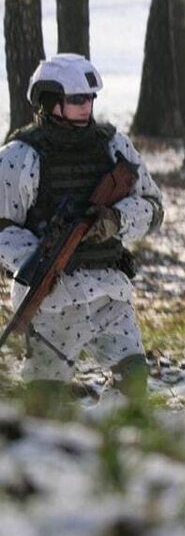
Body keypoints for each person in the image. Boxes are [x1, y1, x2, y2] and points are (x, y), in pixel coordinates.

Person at [0, 54, 164, 410]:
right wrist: (41, 259)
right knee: (45, 401)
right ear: (49, 101)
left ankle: (108, 449)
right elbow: (3, 227)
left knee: (133, 381)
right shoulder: (19, 157)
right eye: (77, 99)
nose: (86, 106)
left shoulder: (113, 146)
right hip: (52, 301)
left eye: (90, 98)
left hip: (110, 293)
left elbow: (153, 205)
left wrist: (115, 220)